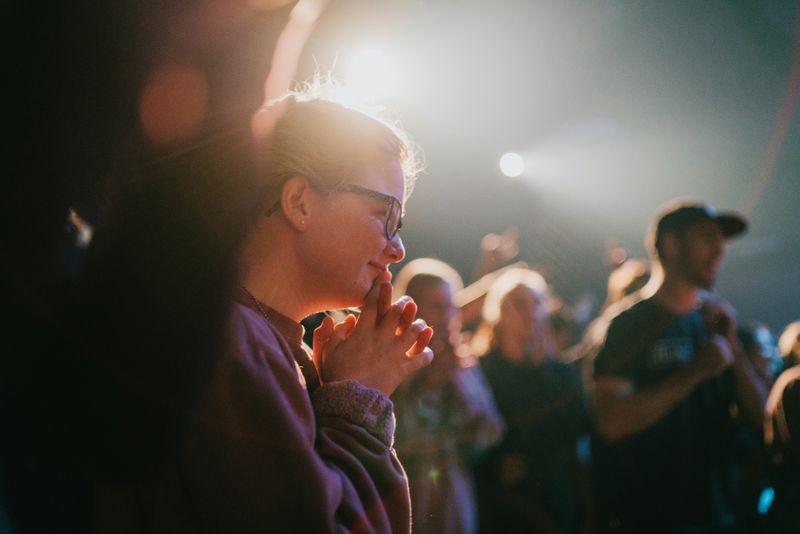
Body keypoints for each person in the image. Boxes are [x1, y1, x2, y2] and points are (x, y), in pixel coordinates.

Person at [94, 86, 435, 532]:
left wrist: (329, 392)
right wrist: (357, 399)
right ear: (299, 202)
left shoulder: (249, 338)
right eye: (385, 214)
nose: (397, 248)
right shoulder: (233, 344)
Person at [590, 199, 767, 533]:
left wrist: (734, 351)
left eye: (720, 241)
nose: (719, 251)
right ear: (671, 245)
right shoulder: (628, 325)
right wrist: (695, 372)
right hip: (652, 519)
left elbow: (760, 418)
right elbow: (611, 422)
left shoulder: (716, 319)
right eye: (707, 238)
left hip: (723, 514)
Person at [472, 268, 590, 534]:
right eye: (520, 304)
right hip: (497, 505)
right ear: (497, 312)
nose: (530, 312)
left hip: (552, 504)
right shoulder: (479, 373)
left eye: (537, 303)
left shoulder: (562, 375)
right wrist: (497, 463)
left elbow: (577, 432)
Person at [391, 258, 504, 534]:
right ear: (411, 309)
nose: (448, 316)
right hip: (400, 498)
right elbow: (392, 438)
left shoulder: (463, 363)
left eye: (452, 307)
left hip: (454, 500)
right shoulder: (391, 360)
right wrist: (428, 387)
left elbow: (491, 434)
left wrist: (459, 390)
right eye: (438, 307)